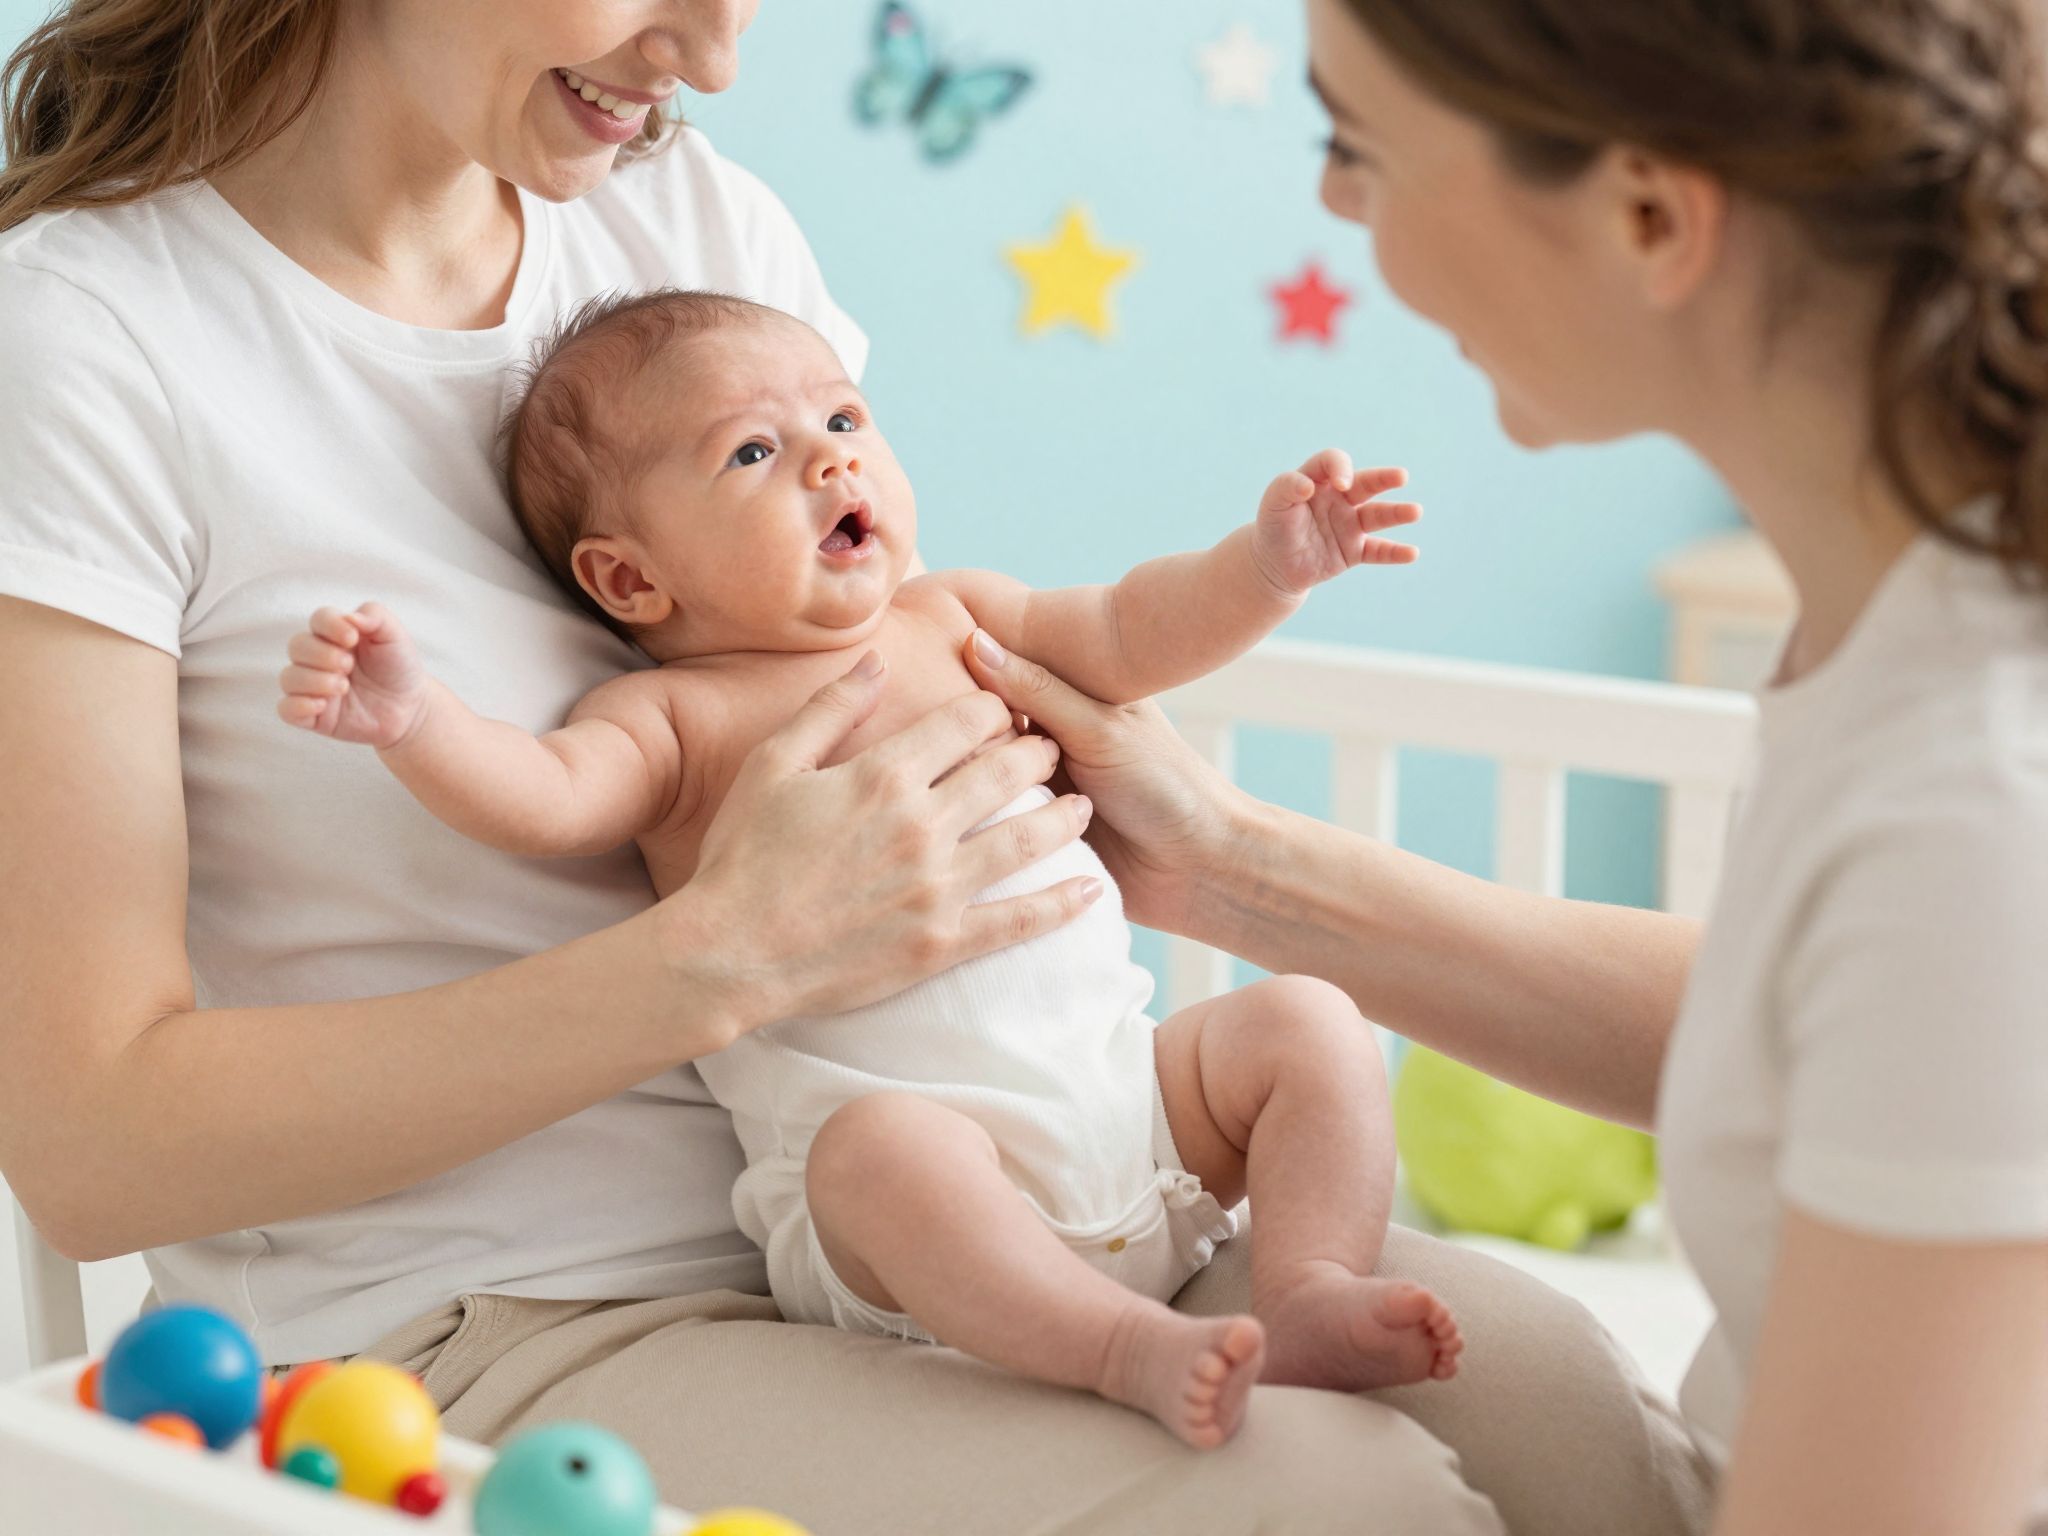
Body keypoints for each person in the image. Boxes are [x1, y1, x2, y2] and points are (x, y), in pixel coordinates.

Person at [0, 2, 1708, 1533]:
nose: (711, 54)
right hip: (501, 1315)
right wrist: (721, 954)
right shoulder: (89, 341)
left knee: (1562, 1418)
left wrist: (1201, 746)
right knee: (1335, 1502)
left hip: (989, 1195)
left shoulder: (685, 220)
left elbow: (885, 644)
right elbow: (92, 1151)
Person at [952, 2, 2048, 1531]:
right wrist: (1221, 860)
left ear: (1649, 216)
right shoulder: (1913, 632)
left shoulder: (1972, 805)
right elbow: (1822, 1032)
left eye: (1357, 142)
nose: (1336, 199)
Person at [276, 287, 1458, 1449]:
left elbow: (1127, 630)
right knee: (879, 1150)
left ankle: (1306, 1288)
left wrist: (1262, 570)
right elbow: (543, 796)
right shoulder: (676, 717)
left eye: (842, 419)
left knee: (1305, 1022)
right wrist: (418, 721)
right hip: (918, 1224)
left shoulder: (952, 615)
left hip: (1140, 1134)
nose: (831, 461)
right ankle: (1119, 1350)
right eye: (753, 451)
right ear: (630, 580)